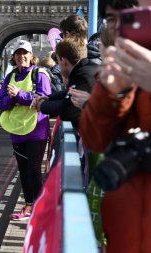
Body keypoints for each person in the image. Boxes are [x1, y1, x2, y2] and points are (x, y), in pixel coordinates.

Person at [78, 0, 151, 252]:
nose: (121, 27)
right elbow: (94, 139)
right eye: (112, 18)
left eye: (133, 16)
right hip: (125, 235)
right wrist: (111, 94)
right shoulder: (122, 67)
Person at [0, 40, 52, 221]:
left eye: (25, 53)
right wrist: (12, 99)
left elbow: (43, 101)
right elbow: (0, 102)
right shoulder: (10, 76)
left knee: (34, 170)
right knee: (24, 171)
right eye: (18, 53)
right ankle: (29, 206)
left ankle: (40, 208)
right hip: (17, 130)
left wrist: (19, 95)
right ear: (14, 57)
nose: (21, 56)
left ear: (31, 55)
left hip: (36, 130)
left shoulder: (39, 74)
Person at [34, 37, 99, 130]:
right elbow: (69, 92)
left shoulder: (84, 75)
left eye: (58, 62)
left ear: (63, 61)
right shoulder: (85, 69)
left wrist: (41, 105)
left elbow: (69, 109)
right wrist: (49, 97)